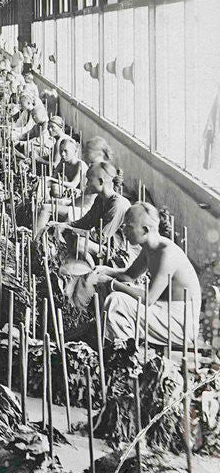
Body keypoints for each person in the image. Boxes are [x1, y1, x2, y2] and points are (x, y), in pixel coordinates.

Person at [91, 203, 201, 347]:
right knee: (122, 289)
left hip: (180, 323)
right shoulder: (149, 248)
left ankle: (122, 351)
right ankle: (116, 339)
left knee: (116, 301)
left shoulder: (167, 254)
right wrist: (106, 270)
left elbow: (149, 299)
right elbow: (129, 275)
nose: (123, 230)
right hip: (162, 309)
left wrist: (110, 283)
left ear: (145, 230)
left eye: (129, 227)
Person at [45, 161, 130, 261]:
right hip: (102, 245)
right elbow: (85, 223)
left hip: (117, 252)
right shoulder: (100, 199)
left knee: (81, 243)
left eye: (89, 180)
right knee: (65, 234)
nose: (86, 184)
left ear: (101, 182)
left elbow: (100, 238)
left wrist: (70, 228)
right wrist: (62, 225)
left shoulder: (117, 205)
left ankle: (94, 270)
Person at [33, 138, 88, 233]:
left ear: (75, 151)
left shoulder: (80, 165)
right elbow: (52, 178)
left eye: (66, 151)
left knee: (55, 188)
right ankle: (38, 205)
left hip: (78, 199)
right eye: (61, 151)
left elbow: (73, 184)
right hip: (67, 195)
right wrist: (42, 181)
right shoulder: (63, 162)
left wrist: (51, 180)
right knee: (44, 184)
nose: (62, 154)